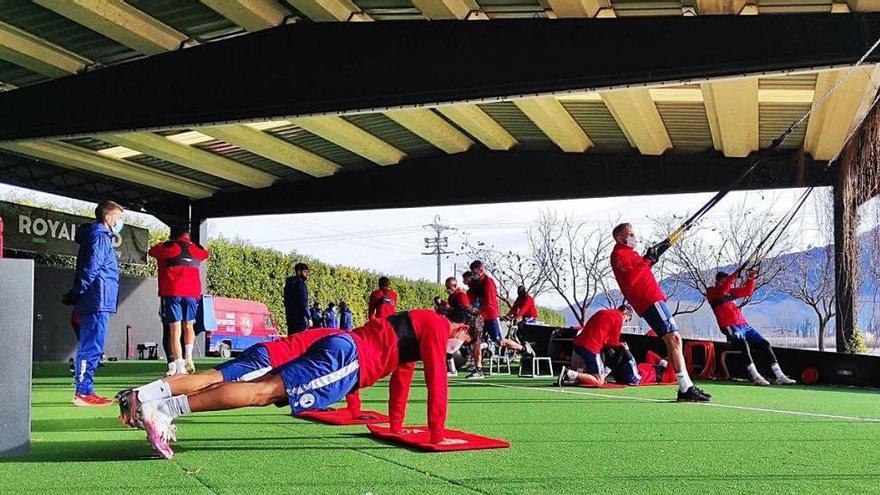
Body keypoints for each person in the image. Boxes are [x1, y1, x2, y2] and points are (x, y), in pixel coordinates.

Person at [136, 310, 472, 458]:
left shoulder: (417, 323)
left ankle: (158, 404)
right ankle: (164, 409)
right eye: (464, 340)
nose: (457, 346)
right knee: (262, 392)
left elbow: (403, 378)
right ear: (461, 330)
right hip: (349, 360)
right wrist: (437, 435)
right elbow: (436, 381)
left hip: (344, 348)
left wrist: (396, 427)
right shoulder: (439, 328)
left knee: (260, 387)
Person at [117, 328, 357, 428]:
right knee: (211, 381)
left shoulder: (338, 335)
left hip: (266, 350)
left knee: (210, 377)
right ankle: (144, 398)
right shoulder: (347, 345)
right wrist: (353, 409)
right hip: (270, 359)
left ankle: (142, 396)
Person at [610, 223, 711, 402]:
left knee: (673, 339)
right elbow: (633, 278)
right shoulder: (619, 255)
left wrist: (651, 258)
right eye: (630, 234)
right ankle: (685, 387)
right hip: (649, 300)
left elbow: (640, 271)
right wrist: (648, 259)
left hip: (652, 299)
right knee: (674, 339)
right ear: (620, 238)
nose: (634, 237)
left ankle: (685, 386)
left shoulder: (628, 254)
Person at [62, 200, 124, 407]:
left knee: (93, 347)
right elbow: (91, 268)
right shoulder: (99, 238)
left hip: (98, 298)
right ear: (108, 218)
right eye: (118, 217)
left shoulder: (99, 237)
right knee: (91, 347)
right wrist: (78, 292)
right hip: (97, 298)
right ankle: (82, 392)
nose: (120, 222)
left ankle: (86, 390)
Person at [706, 269, 796, 386]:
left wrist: (751, 278)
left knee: (765, 344)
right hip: (730, 326)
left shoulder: (730, 291)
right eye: (726, 281)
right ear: (718, 281)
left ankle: (780, 376)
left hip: (744, 325)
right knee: (743, 344)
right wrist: (734, 276)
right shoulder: (712, 292)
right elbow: (722, 291)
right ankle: (755, 376)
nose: (731, 284)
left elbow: (747, 291)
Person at [148, 225, 209, 376]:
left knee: (174, 330)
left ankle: (179, 365)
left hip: (172, 293)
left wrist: (167, 243)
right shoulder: (196, 250)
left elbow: (152, 251)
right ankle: (189, 356)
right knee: (189, 326)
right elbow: (205, 253)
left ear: (172, 236)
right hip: (192, 294)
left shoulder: (167, 247)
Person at [557, 305, 637, 387]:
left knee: (593, 374)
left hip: (578, 344)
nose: (624, 322)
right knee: (599, 381)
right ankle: (568, 373)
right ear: (625, 313)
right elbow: (614, 341)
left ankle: (574, 376)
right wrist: (623, 346)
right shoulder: (618, 318)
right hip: (591, 348)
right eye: (626, 320)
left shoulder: (602, 312)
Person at [465, 261, 501, 380]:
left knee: (499, 341)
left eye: (474, 272)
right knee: (476, 341)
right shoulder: (474, 283)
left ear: (481, 271)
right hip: (480, 317)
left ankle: (523, 348)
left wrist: (477, 310)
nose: (473, 274)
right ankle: (478, 369)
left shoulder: (489, 282)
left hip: (490, 315)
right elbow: (471, 296)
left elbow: (490, 302)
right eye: (472, 272)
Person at [283, 263, 311, 333]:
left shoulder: (288, 284)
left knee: (292, 340)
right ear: (299, 272)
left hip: (290, 318)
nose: (307, 274)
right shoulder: (301, 284)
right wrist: (308, 317)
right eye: (305, 272)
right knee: (301, 341)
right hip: (300, 319)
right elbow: (303, 302)